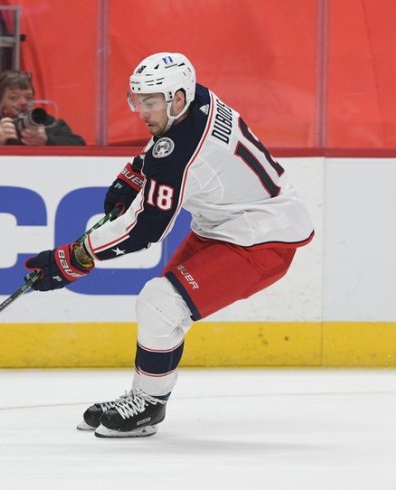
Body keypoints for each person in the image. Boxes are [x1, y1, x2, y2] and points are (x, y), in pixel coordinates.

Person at [23, 52, 315, 438]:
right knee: (162, 308)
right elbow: (163, 145)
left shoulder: (182, 153)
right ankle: (146, 396)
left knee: (160, 301)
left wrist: (74, 258)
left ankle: (147, 406)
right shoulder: (198, 99)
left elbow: (145, 229)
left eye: (151, 102)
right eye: (138, 100)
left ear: (177, 98)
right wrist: (134, 175)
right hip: (226, 224)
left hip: (261, 238)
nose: (142, 111)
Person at [0, 70, 86, 146]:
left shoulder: (47, 123)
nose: (22, 103)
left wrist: (47, 140)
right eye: (14, 98)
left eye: (28, 97)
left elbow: (80, 146)